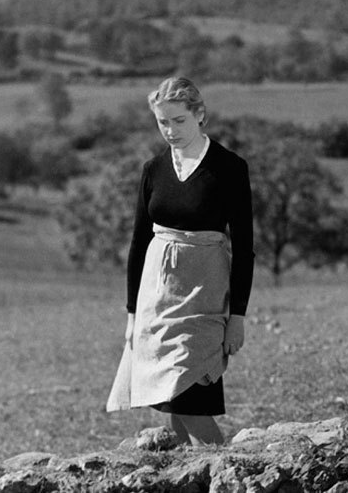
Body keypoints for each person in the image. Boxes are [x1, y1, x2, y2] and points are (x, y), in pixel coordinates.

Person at [107, 77, 254, 445]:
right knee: (169, 401)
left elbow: (246, 246)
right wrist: (132, 315)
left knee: (191, 399)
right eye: (163, 122)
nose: (170, 131)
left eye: (179, 121)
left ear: (199, 115)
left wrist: (237, 316)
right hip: (157, 297)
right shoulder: (153, 170)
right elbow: (139, 242)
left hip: (205, 295)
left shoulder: (230, 168)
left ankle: (227, 475)